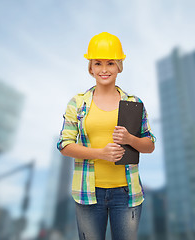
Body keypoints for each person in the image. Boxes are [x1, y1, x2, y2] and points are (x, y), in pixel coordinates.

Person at [57, 32, 156, 240]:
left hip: (127, 194)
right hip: (88, 193)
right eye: (98, 63)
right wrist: (100, 153)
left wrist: (130, 139)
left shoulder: (134, 103)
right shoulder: (78, 103)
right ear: (90, 68)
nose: (104, 70)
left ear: (119, 66)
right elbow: (65, 145)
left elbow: (149, 145)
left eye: (110, 63)